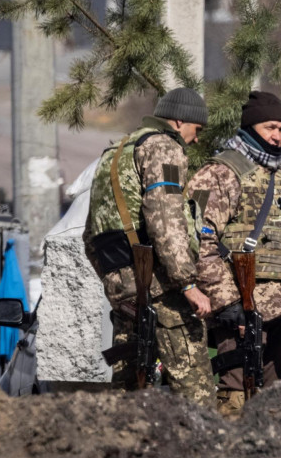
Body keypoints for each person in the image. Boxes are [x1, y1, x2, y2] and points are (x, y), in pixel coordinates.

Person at [187, 91, 281, 418]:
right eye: (270, 127)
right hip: (242, 311)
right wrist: (227, 302)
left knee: (274, 405)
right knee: (236, 398)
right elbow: (197, 241)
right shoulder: (219, 173)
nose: (277, 136)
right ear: (251, 127)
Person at [83, 87, 216, 407]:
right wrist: (186, 283)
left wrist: (115, 282)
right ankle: (205, 456)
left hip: (125, 288)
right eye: (196, 130)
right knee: (196, 393)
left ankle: (126, 453)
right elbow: (165, 217)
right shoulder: (163, 147)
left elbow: (90, 234)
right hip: (158, 285)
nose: (195, 140)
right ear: (179, 121)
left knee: (128, 393)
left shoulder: (115, 152)